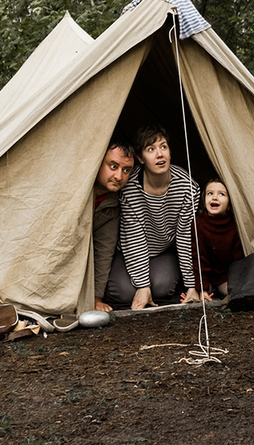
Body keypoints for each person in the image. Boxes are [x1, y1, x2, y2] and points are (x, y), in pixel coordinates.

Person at [103, 125, 202, 309]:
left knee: (163, 287)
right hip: (129, 251)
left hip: (163, 250)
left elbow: (185, 237)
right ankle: (142, 286)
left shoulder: (187, 187)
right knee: (122, 292)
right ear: (140, 158)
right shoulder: (129, 187)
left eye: (163, 147)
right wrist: (143, 285)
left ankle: (152, 286)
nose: (159, 154)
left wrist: (191, 285)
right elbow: (134, 237)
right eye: (151, 149)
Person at [91, 139, 136, 313]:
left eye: (126, 170)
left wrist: (95, 298)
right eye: (113, 166)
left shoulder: (112, 202)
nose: (119, 177)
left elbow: (104, 249)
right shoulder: (77, 190)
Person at [194, 178, 245, 300]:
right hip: (203, 274)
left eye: (221, 194)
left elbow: (238, 258)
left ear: (229, 202)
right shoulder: (198, 224)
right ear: (203, 199)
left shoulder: (234, 225)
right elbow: (198, 257)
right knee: (201, 294)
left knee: (231, 291)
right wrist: (202, 287)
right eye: (210, 193)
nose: (214, 198)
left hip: (224, 275)